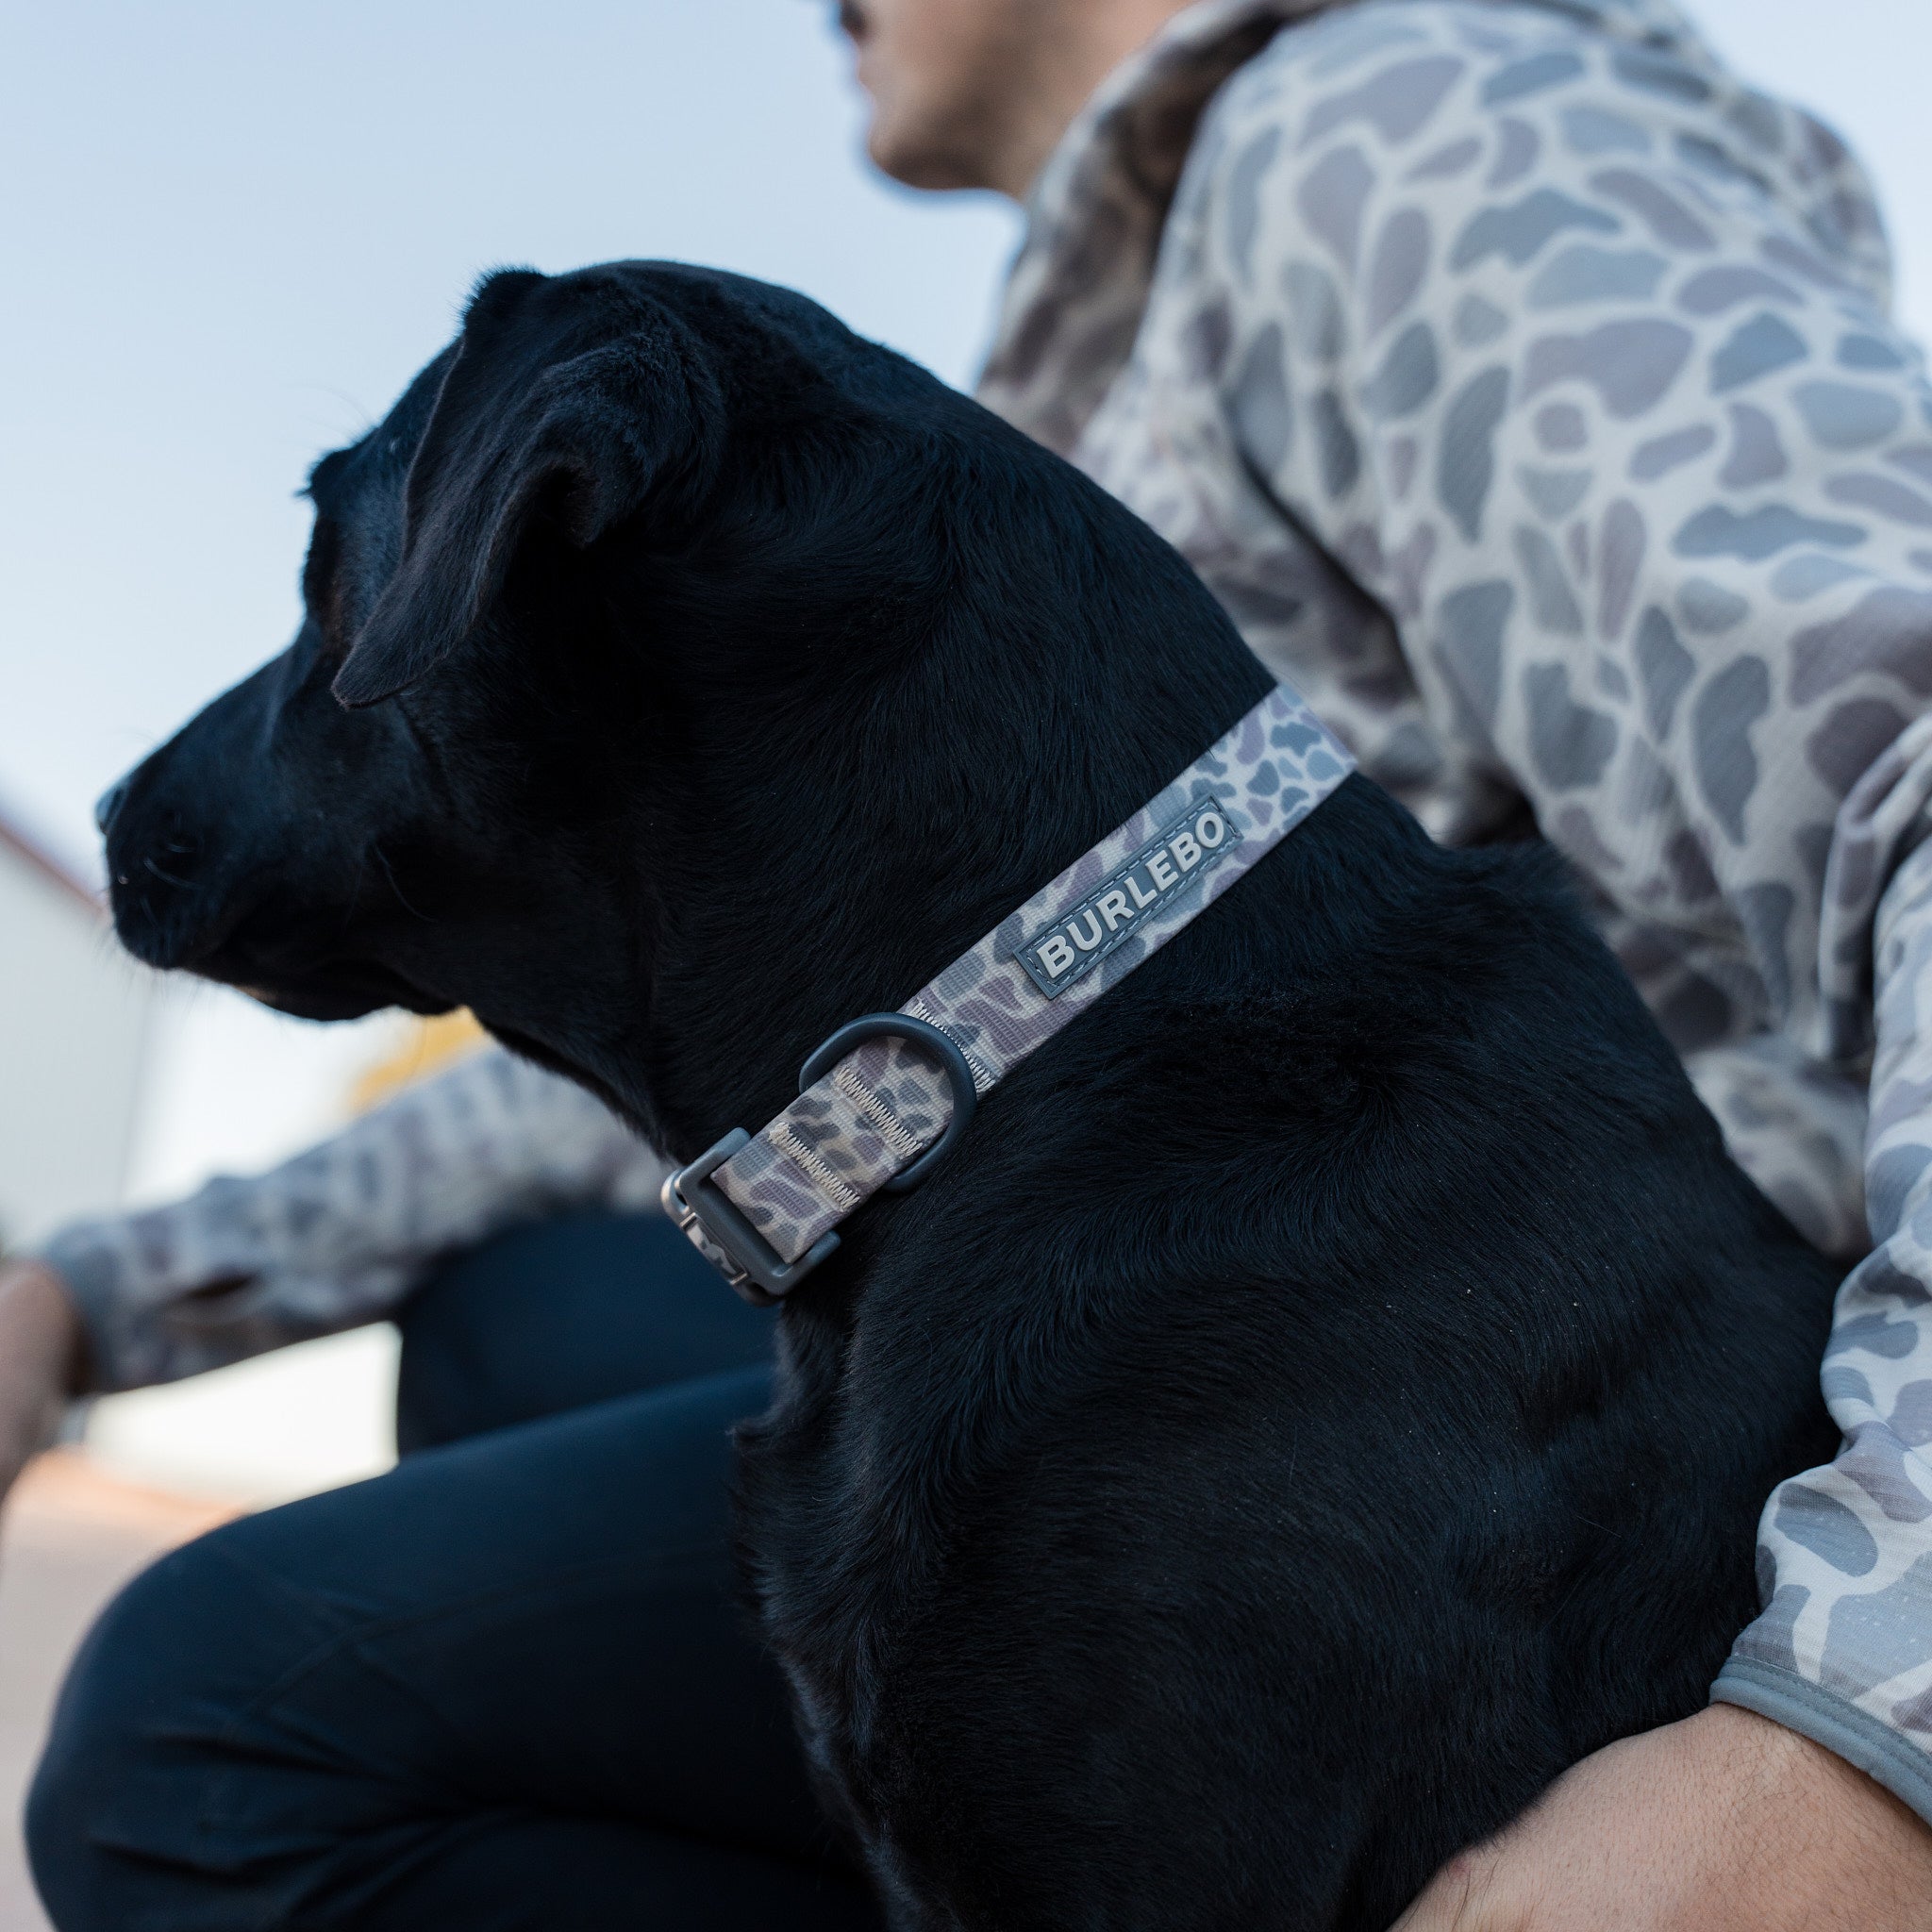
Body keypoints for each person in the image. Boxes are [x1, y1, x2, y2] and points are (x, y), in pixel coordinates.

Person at [8, 0, 1932, 1921]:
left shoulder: (1407, 132)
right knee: (523, 1316)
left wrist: (1854, 1731)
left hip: (1600, 1435)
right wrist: (96, 1296)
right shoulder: (1051, 418)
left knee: (219, 1728)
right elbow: (843, 1066)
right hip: (1172, 1296)